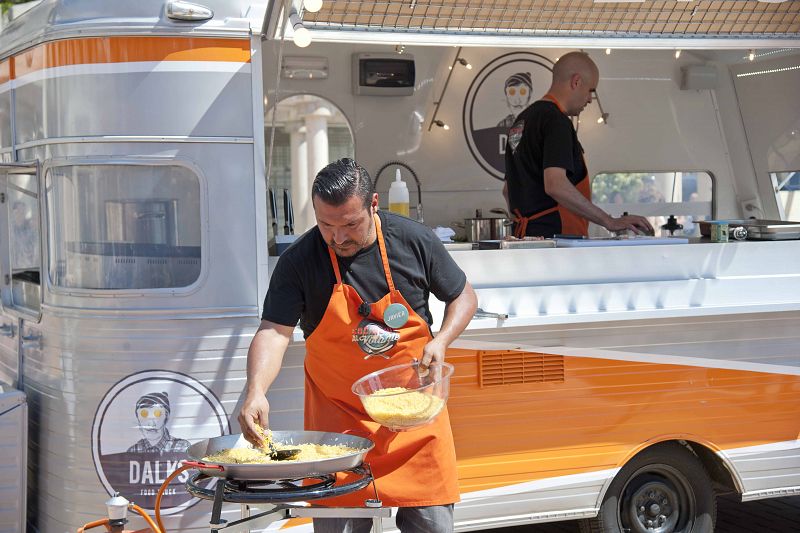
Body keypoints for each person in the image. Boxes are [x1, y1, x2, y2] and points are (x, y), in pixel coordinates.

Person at [238, 158, 477, 533]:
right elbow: (274, 331)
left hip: (415, 423)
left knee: (433, 527)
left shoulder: (413, 240)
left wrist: (443, 340)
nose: (338, 238)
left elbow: (463, 295)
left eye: (350, 224)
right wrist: (256, 392)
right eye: (326, 225)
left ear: (374, 204)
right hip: (339, 429)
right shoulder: (299, 261)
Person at [502, 52, 653, 238]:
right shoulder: (556, 121)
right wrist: (609, 221)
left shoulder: (522, 120)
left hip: (524, 240)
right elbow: (555, 184)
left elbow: (508, 191)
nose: (590, 99)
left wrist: (529, 231)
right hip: (557, 242)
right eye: (591, 90)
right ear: (576, 81)